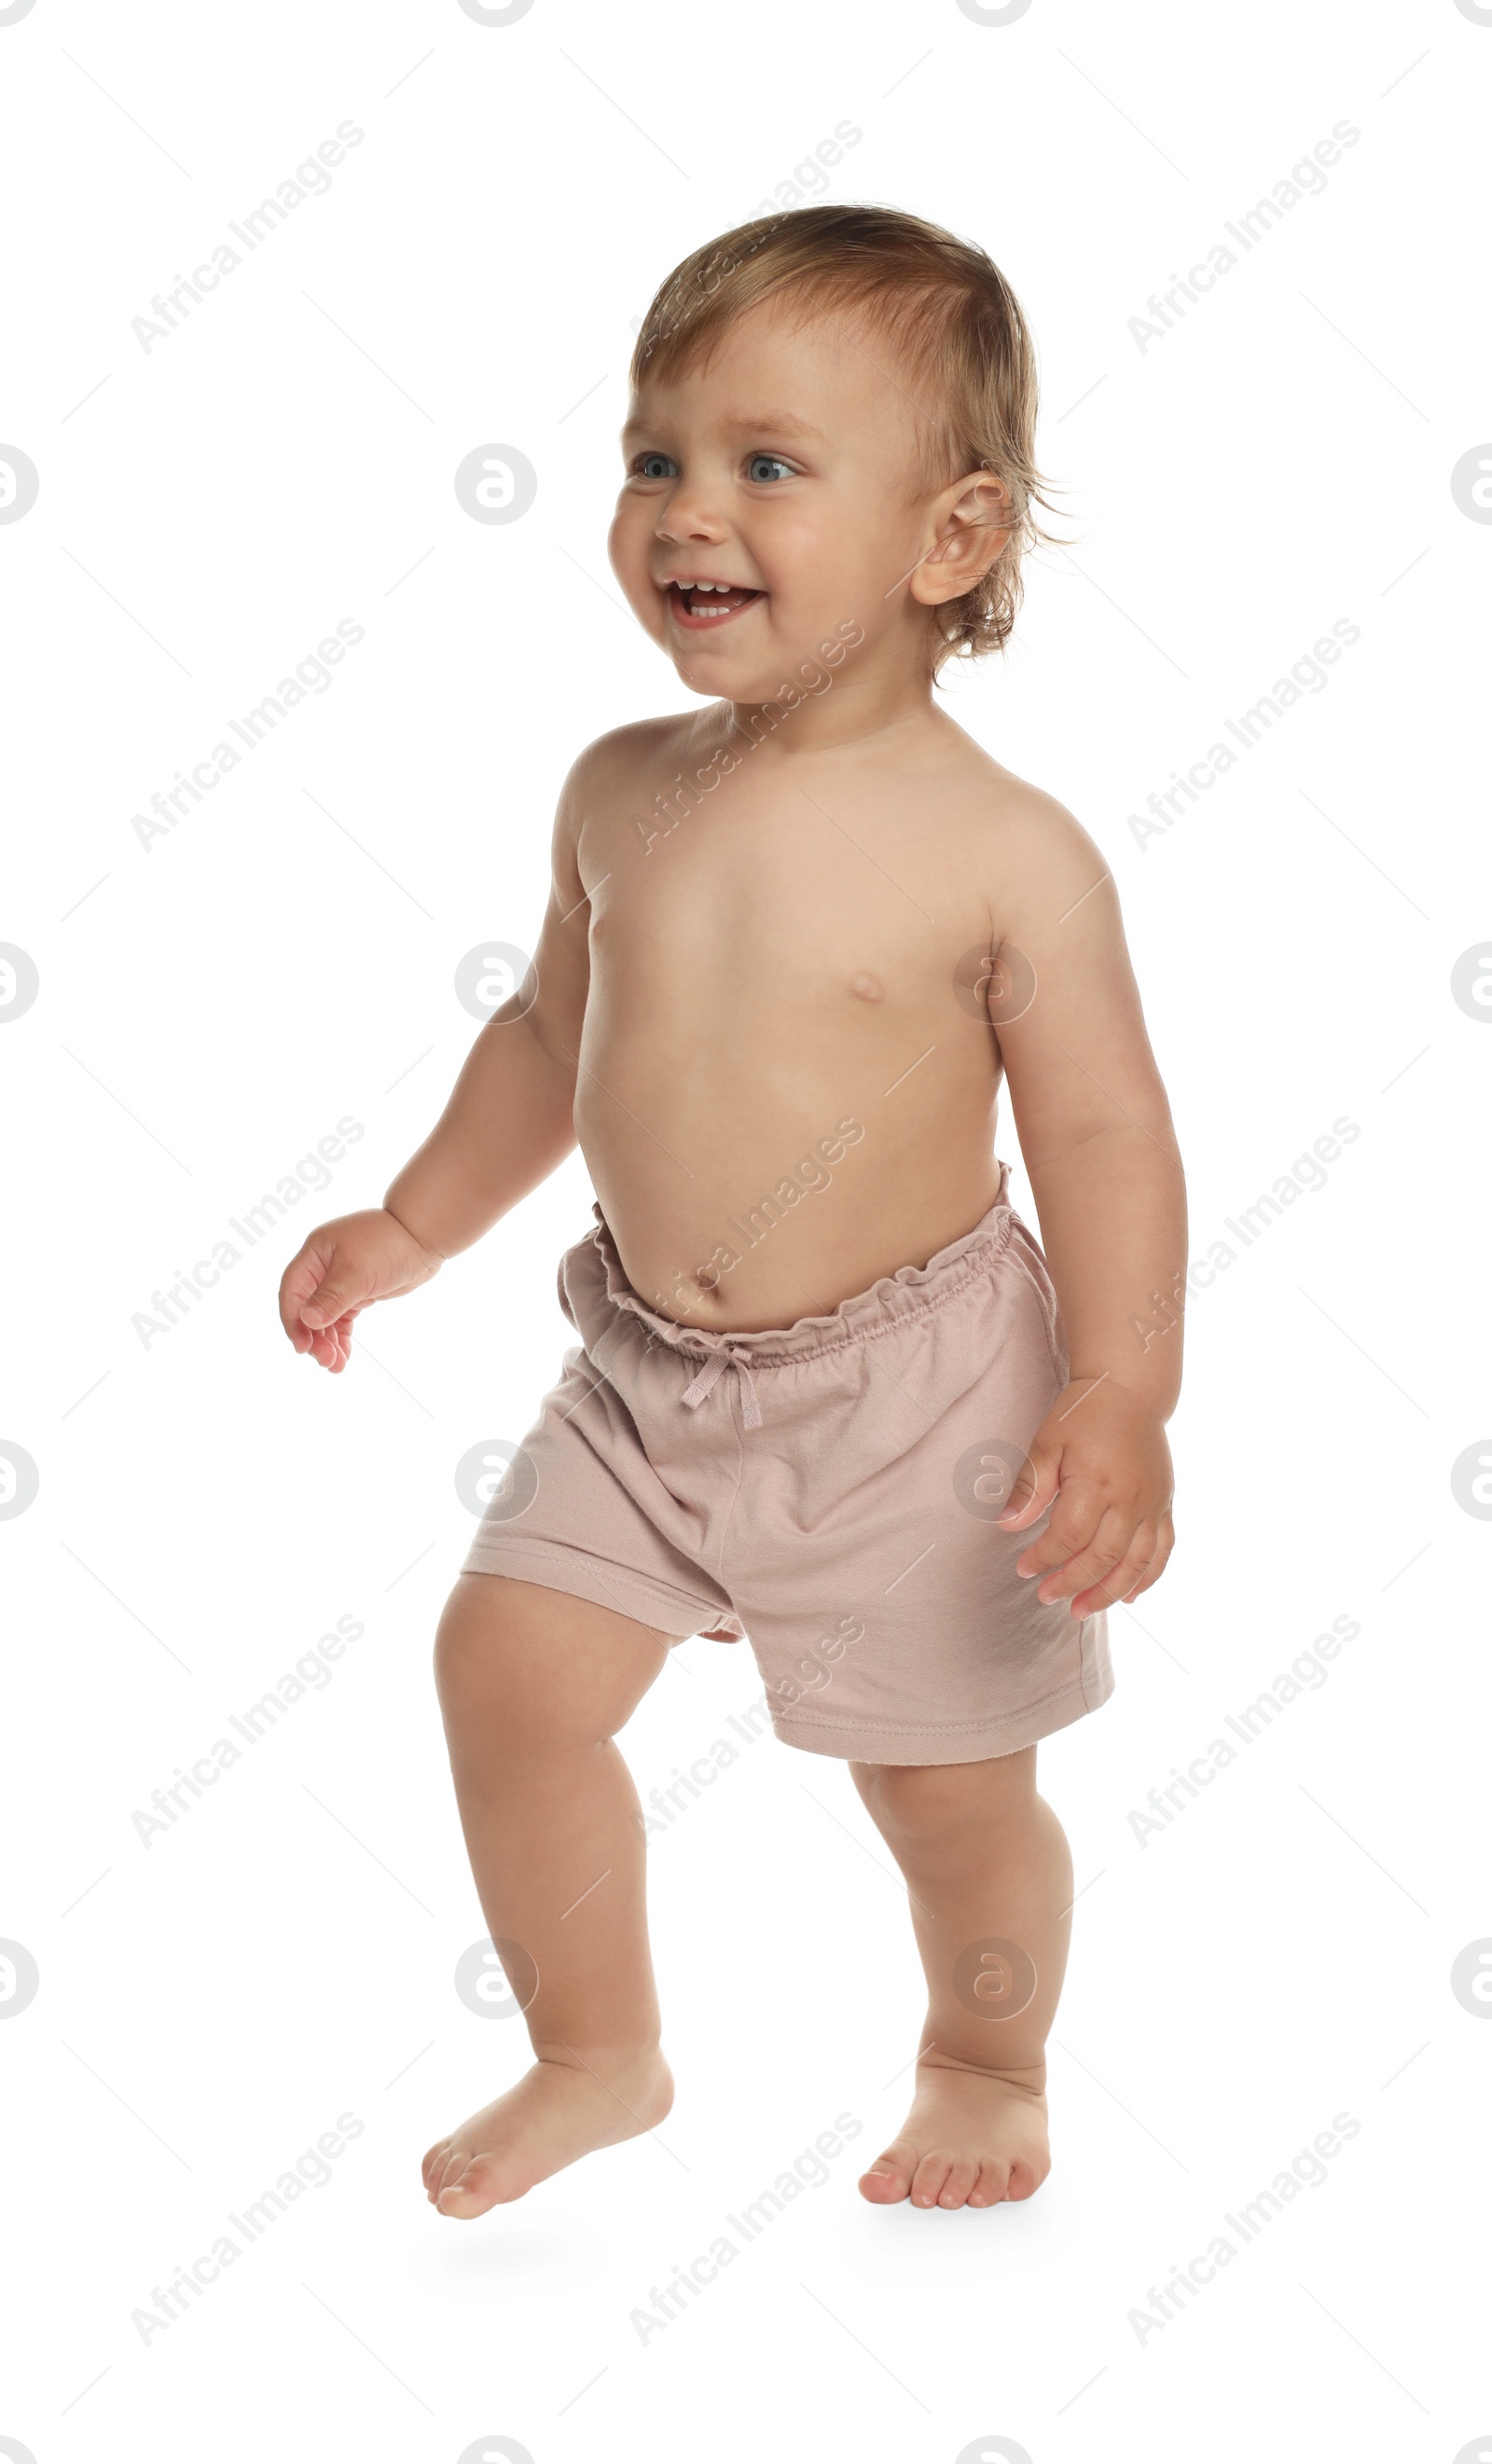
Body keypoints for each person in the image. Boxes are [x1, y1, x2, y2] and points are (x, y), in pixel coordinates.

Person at [278, 204, 1184, 2219]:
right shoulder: (618, 788)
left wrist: (1117, 1398)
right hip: (644, 1371)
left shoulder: (1002, 853)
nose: (686, 508)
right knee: (502, 1674)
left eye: (766, 463)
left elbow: (1110, 1138)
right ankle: (597, 2048)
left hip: (917, 1398)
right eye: (653, 456)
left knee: (945, 1791)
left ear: (947, 542)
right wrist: (415, 1227)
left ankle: (981, 2048)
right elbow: (546, 1034)